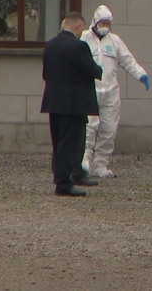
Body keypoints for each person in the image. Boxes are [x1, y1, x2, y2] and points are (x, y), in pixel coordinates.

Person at [80, 5, 150, 179]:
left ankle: (101, 164)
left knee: (109, 128)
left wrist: (141, 74)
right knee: (89, 127)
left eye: (107, 23)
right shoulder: (84, 40)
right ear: (95, 23)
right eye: (102, 23)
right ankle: (84, 160)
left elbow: (128, 60)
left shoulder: (115, 41)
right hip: (90, 90)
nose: (105, 26)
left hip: (110, 92)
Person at [40, 12, 103, 197]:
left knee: (59, 143)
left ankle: (65, 176)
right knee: (71, 144)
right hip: (74, 104)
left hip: (54, 101)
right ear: (78, 26)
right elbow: (92, 70)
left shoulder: (50, 45)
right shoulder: (79, 46)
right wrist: (99, 68)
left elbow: (46, 74)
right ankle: (64, 183)